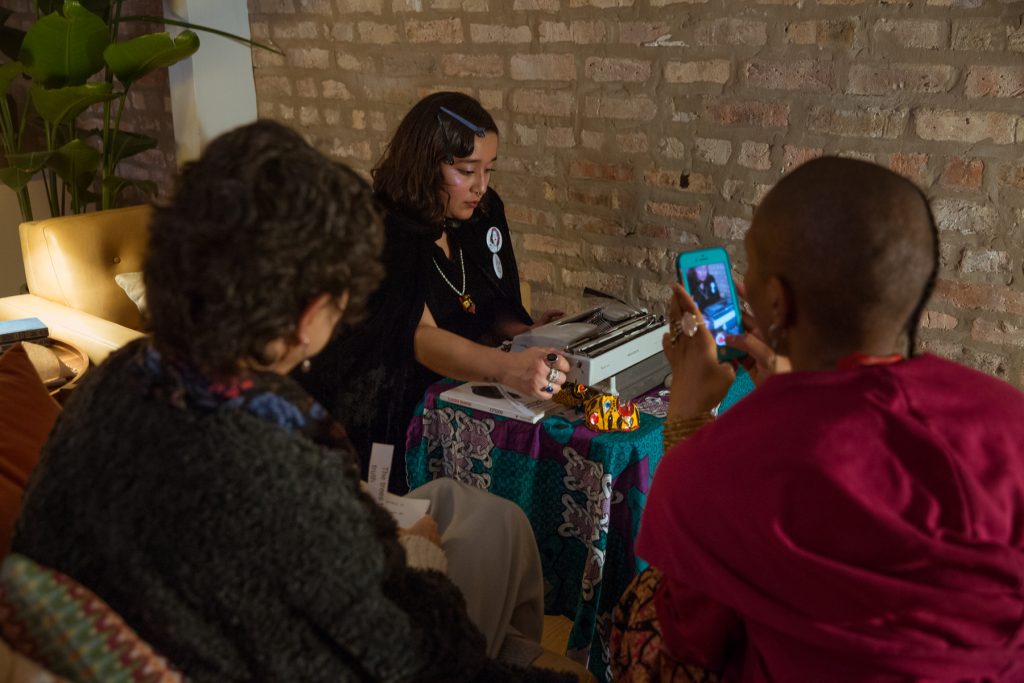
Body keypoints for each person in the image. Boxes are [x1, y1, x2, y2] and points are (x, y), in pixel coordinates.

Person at [12, 121, 580, 683]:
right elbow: (419, 654)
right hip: (301, 644)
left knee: (476, 511)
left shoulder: (118, 381)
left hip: (200, 612)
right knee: (478, 535)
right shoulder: (272, 469)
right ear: (309, 316)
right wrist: (420, 558)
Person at [612, 157, 1024, 681]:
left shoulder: (717, 465)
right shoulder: (1008, 414)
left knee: (644, 604)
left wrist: (689, 417)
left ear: (776, 302)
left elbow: (692, 631)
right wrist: (790, 392)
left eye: (752, 269)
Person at [299, 92, 569, 493]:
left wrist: (527, 333)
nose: (480, 187)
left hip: (462, 386)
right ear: (426, 165)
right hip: (390, 407)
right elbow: (419, 338)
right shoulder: (386, 230)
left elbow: (489, 302)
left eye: (489, 170)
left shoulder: (480, 213)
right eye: (466, 170)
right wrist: (507, 367)